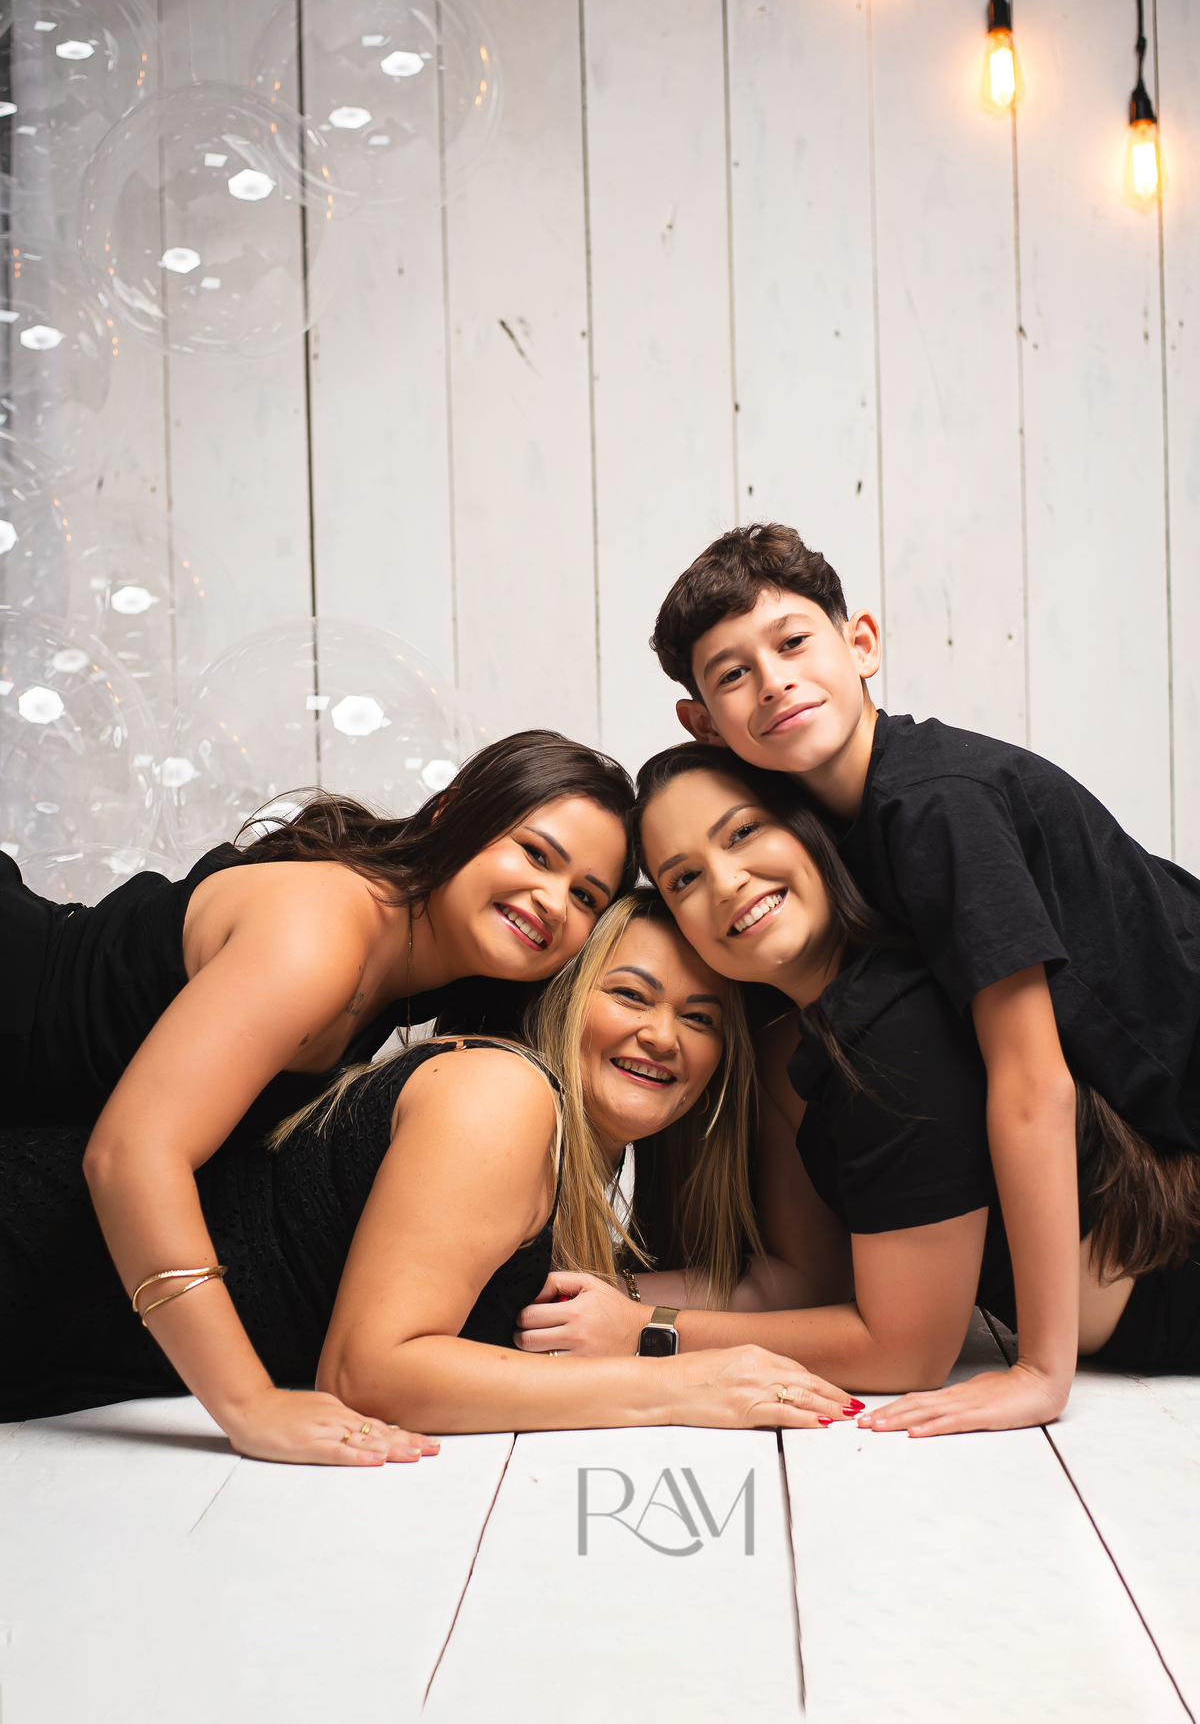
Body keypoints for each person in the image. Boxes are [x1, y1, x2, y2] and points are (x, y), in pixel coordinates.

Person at [642, 523, 1200, 1435]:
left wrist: (1040, 1368)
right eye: (733, 673)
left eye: (793, 642)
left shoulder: (934, 804)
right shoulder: (835, 843)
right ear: (703, 722)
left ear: (861, 644)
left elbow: (1033, 1084)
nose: (773, 680)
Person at [1, 887, 852, 1447]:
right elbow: (369, 1375)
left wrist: (641, 1321)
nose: (663, 1036)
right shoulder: (499, 1094)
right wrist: (674, 1383)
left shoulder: (559, 1181)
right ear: (564, 998)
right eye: (631, 994)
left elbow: (787, 1284)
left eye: (701, 1020)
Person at [1, 730, 636, 1461]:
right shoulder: (324, 933)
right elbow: (131, 1155)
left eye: (585, 895)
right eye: (536, 854)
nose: (552, 900)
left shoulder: (399, 975)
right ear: (451, 813)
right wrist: (248, 1404)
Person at [517, 747, 1200, 1410]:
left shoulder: (894, 1021)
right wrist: (604, 1297)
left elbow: (908, 1352)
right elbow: (808, 1278)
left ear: (811, 832)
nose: (726, 883)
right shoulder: (784, 1038)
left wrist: (645, 1330)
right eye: (684, 879)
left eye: (745, 832)